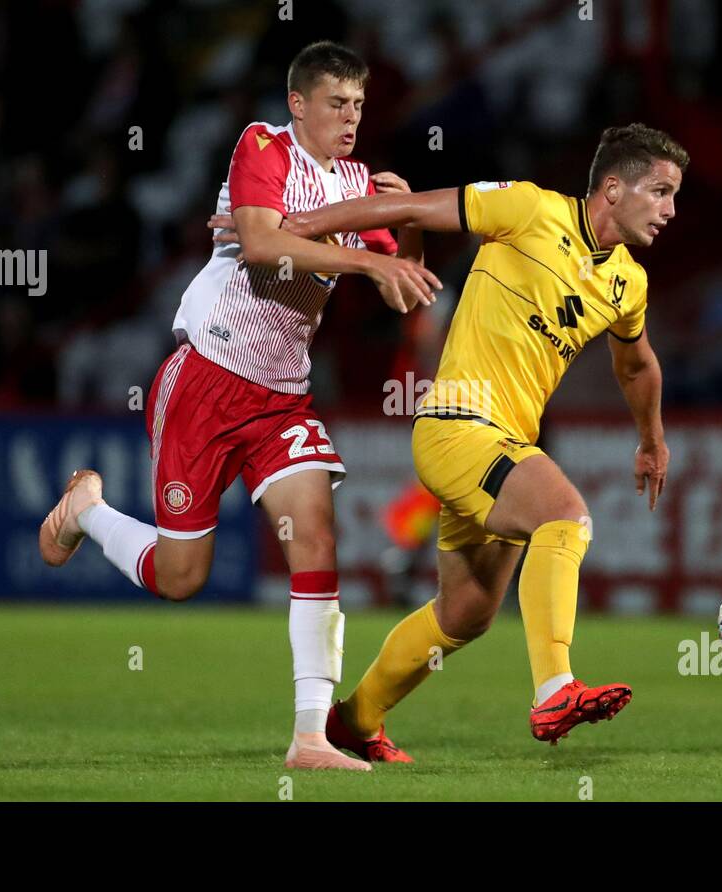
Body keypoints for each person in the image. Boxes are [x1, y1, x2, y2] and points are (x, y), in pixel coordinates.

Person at [211, 123, 681, 760]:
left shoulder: (628, 282)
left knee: (465, 612)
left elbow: (637, 365)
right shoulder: (529, 208)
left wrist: (651, 440)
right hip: (459, 425)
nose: (670, 210)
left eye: (674, 196)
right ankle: (555, 688)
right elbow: (409, 208)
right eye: (659, 191)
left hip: (504, 441)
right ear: (614, 188)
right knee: (565, 517)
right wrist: (291, 227)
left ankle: (355, 720)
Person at [38, 41, 440, 772]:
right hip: (208, 381)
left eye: (357, 105)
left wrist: (402, 220)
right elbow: (260, 246)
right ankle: (86, 511)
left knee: (315, 535)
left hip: (282, 399)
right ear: (298, 104)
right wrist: (362, 251)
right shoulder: (262, 146)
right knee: (183, 578)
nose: (350, 118)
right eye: (335, 104)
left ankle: (311, 737)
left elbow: (401, 272)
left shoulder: (356, 181)